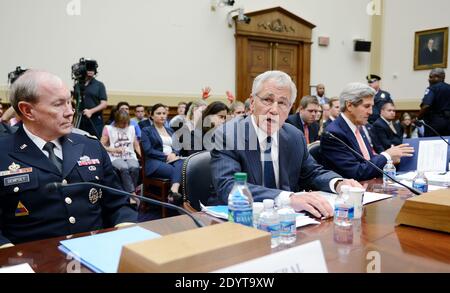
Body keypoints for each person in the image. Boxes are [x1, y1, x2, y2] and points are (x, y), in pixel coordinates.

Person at [0, 70, 137, 247]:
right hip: (32, 260)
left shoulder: (90, 146)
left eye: (69, 102)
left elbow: (118, 202)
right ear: (28, 111)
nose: (70, 112)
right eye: (58, 104)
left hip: (94, 252)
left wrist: (125, 226)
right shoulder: (4, 152)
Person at [211, 70, 362, 218]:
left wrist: (338, 183)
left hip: (289, 223)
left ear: (290, 108)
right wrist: (288, 198)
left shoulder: (294, 136)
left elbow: (312, 172)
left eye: (283, 103)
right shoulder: (228, 135)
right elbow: (228, 187)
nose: (274, 110)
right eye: (267, 100)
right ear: (252, 103)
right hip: (242, 220)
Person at [321, 82, 414, 181]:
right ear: (349, 105)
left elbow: (368, 160)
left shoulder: (358, 127)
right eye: (366, 106)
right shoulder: (334, 133)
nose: (371, 112)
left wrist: (391, 160)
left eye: (372, 106)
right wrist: (387, 156)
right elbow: (356, 172)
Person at [141, 104, 184, 203]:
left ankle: (173, 191)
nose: (162, 116)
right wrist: (166, 156)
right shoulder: (146, 130)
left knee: (185, 164)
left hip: (172, 159)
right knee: (175, 170)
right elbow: (148, 150)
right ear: (152, 116)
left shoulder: (170, 130)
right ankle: (174, 193)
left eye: (164, 113)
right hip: (155, 162)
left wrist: (174, 153)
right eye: (159, 113)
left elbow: (177, 146)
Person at [101, 110, 141, 195]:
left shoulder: (131, 128)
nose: (124, 125)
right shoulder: (108, 128)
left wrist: (143, 157)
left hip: (129, 155)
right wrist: (113, 149)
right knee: (124, 168)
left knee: (134, 167)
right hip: (114, 155)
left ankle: (129, 192)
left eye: (126, 123)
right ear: (116, 121)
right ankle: (132, 193)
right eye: (122, 123)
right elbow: (101, 145)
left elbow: (136, 145)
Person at [77, 64, 108, 139]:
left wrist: (91, 111)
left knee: (95, 140)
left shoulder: (99, 85)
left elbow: (104, 104)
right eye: (88, 69)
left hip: (95, 120)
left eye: (92, 69)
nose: (90, 71)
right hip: (80, 119)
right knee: (79, 139)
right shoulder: (78, 84)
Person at [418, 68, 450, 136]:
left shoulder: (432, 88)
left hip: (435, 123)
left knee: (431, 142)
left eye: (430, 77)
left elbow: (426, 105)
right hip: (448, 122)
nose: (429, 79)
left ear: (437, 77)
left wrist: (418, 117)